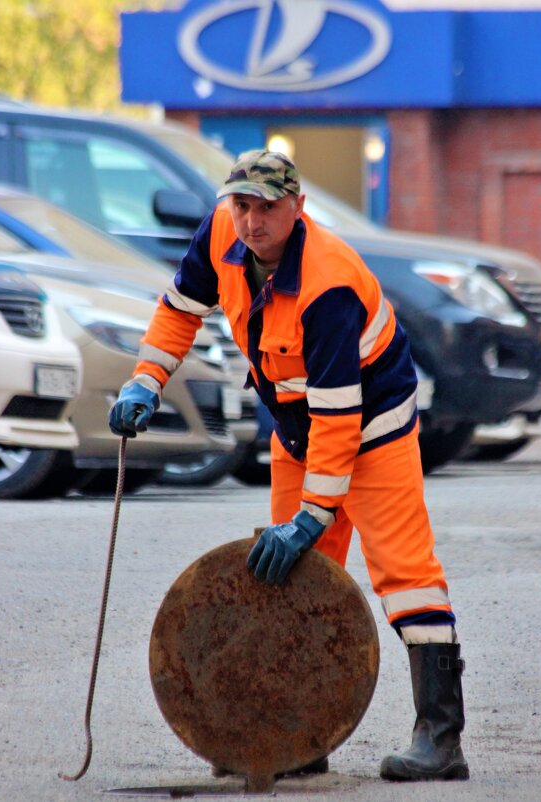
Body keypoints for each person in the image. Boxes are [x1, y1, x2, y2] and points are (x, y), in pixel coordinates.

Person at [109, 150, 469, 782]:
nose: (252, 222)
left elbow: (341, 417)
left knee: (405, 575)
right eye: (242, 206)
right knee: (298, 579)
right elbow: (180, 308)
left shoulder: (328, 284)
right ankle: (301, 739)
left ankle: (441, 740)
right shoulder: (222, 231)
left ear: (297, 208)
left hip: (372, 425)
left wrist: (313, 514)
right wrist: (146, 378)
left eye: (267, 208)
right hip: (301, 430)